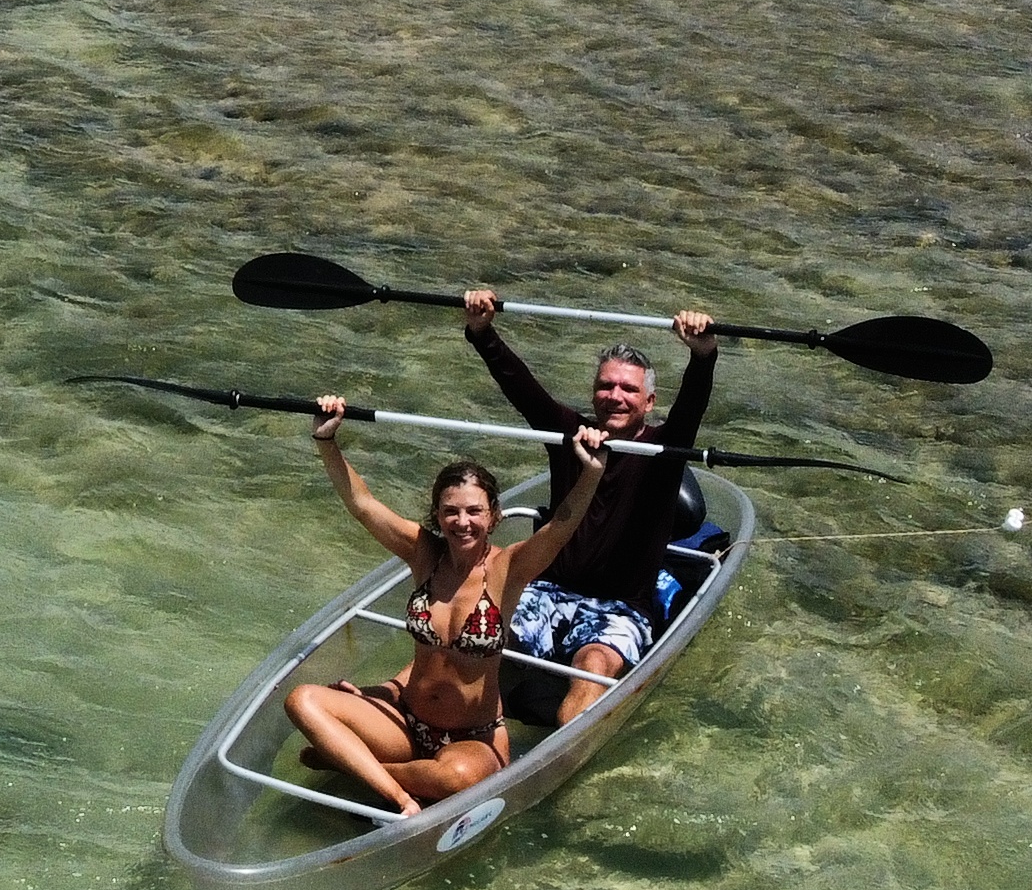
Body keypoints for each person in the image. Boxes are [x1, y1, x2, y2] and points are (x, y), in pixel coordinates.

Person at [278, 406, 608, 816]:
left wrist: (590, 473)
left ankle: (357, 765)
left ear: (494, 516)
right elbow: (362, 504)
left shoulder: (509, 568)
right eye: (451, 511)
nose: (462, 521)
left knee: (455, 780)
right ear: (437, 515)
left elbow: (561, 526)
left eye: (474, 511)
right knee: (302, 700)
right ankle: (399, 793)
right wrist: (326, 441)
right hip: (407, 723)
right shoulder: (424, 554)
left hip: (474, 736)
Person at [462, 290, 724, 725]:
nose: (615, 396)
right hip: (546, 593)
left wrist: (703, 353)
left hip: (619, 606)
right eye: (606, 386)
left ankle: (555, 757)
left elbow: (694, 401)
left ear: (649, 402)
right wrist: (481, 331)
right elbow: (521, 388)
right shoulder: (569, 433)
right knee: (473, 639)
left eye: (628, 389)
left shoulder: (665, 448)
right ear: (594, 392)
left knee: (594, 668)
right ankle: (409, 713)